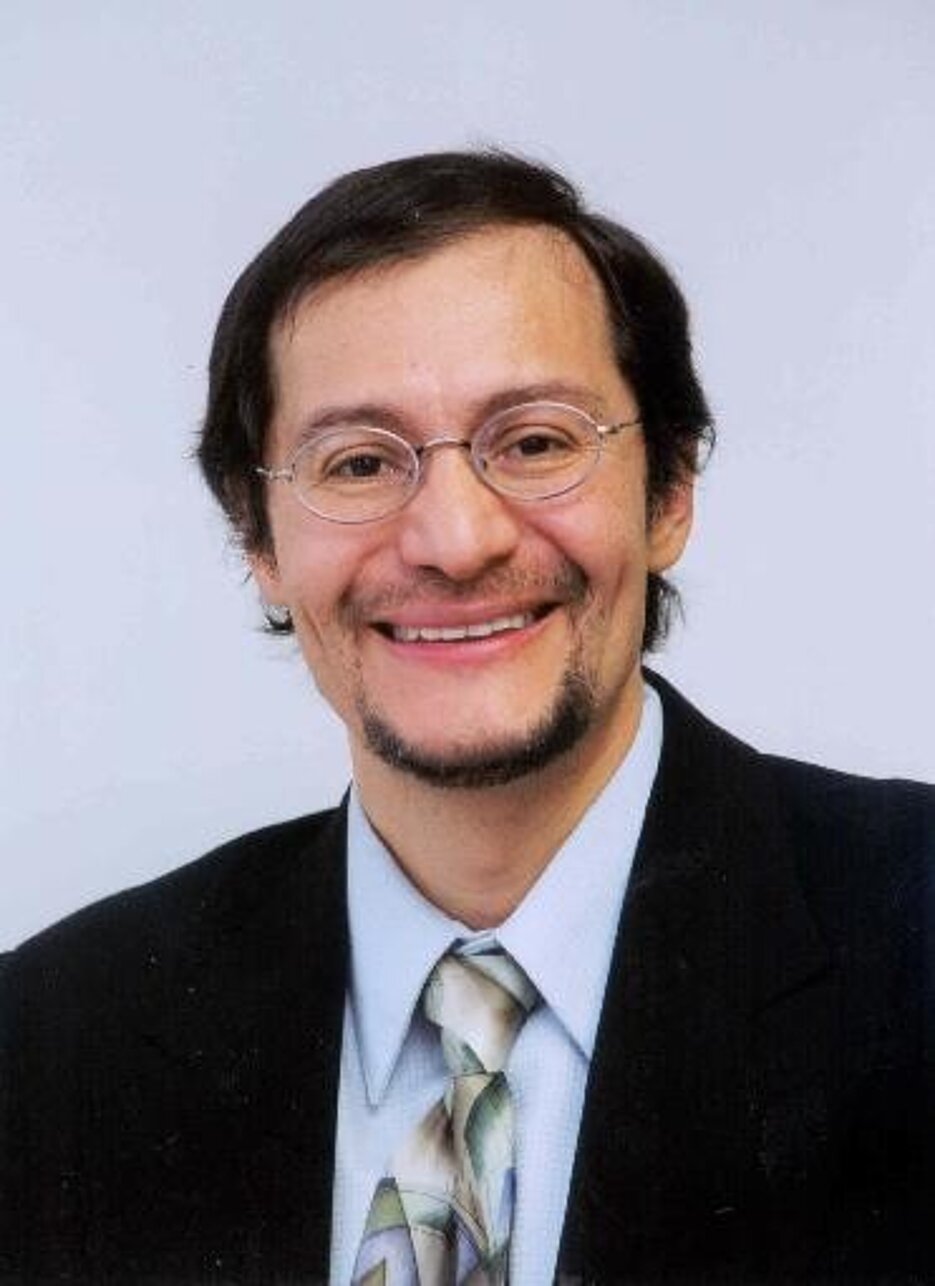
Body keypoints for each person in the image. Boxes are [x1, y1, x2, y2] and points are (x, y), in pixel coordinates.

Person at [1, 150, 932, 1285]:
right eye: (357, 462)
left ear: (669, 490)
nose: (455, 540)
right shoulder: (49, 1043)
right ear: (258, 538)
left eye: (535, 442)